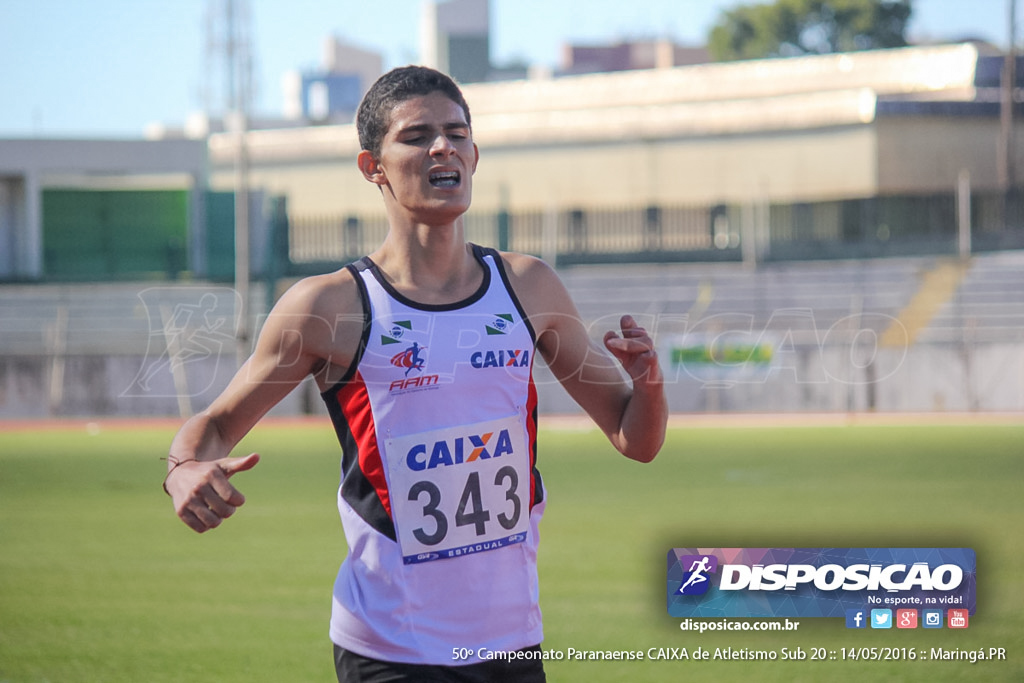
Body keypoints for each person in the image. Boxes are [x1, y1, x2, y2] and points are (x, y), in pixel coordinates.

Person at [163, 65, 668, 682]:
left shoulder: (529, 287)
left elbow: (635, 439)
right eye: (416, 136)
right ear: (371, 166)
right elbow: (214, 425)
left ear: (475, 155)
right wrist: (183, 470)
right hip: (390, 649)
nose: (442, 147)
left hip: (512, 644)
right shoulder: (330, 307)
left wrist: (648, 383)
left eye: (457, 133)